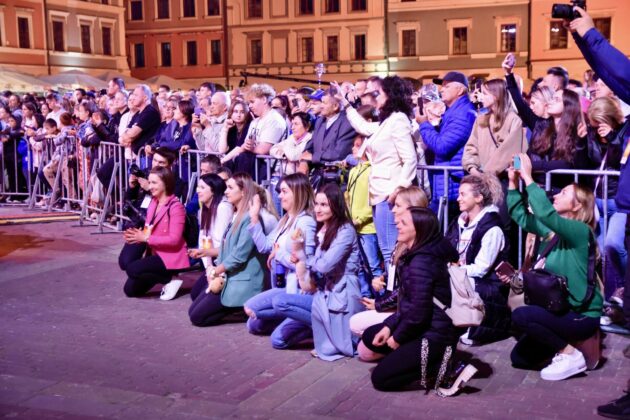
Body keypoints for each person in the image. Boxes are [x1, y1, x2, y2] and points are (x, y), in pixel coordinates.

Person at [504, 153, 603, 380]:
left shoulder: (581, 232)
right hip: (560, 310)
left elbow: (546, 214)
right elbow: (521, 215)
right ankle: (569, 346)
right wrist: (512, 183)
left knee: (522, 316)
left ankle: (570, 354)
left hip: (581, 316)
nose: (556, 195)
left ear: (578, 206)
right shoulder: (553, 233)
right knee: (519, 358)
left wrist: (528, 177)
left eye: (564, 193)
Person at [359, 207, 474, 392]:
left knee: (381, 379)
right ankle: (431, 359)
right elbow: (409, 304)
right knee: (371, 336)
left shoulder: (422, 261)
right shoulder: (419, 253)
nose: (397, 223)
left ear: (419, 229)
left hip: (436, 334)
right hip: (424, 327)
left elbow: (418, 312)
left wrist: (398, 337)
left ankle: (443, 369)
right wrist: (389, 326)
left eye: (404, 222)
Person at [336, 76, 418, 269]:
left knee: (391, 249)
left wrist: (399, 188)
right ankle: (393, 293)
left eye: (378, 93)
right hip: (379, 192)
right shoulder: (387, 121)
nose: (374, 98)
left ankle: (394, 295)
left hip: (389, 195)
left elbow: (410, 158)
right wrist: (346, 104)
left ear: (390, 95)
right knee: (387, 249)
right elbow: (363, 126)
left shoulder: (398, 120)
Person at [243, 173, 317, 340]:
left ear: (297, 193)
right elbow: (264, 246)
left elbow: (309, 264)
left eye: (284, 191)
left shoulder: (305, 222)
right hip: (283, 284)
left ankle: (312, 324)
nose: (279, 195)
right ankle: (289, 318)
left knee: (273, 334)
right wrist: (254, 217)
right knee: (253, 324)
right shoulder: (285, 220)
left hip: (298, 290)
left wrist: (279, 254)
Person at [350, 186, 428, 337]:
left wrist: (379, 305)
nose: (392, 210)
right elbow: (398, 271)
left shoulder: (418, 243)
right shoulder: (402, 239)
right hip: (396, 306)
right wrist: (383, 278)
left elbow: (409, 288)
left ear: (412, 208)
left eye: (397, 206)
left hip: (407, 311)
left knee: (356, 325)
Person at [188, 172, 265, 326]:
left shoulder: (249, 218)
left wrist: (216, 270)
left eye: (230, 187)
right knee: (193, 310)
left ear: (243, 191)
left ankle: (238, 307)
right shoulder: (236, 214)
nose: (225, 191)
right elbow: (226, 248)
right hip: (227, 275)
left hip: (240, 280)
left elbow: (239, 256)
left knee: (198, 318)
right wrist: (207, 257)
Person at [445, 174, 511, 345]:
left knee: (448, 280)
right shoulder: (458, 223)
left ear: (478, 197)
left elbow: (481, 269)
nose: (458, 198)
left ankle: (471, 324)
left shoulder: (492, 228)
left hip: (488, 285)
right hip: (463, 277)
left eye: (463, 194)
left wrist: (453, 270)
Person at [119, 166, 190, 297]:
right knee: (129, 287)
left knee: (132, 269)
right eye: (150, 182)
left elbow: (174, 240)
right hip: (154, 250)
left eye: (154, 183)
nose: (150, 186)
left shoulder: (176, 207)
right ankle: (160, 275)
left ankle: (171, 278)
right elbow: (148, 227)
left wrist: (145, 239)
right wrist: (135, 236)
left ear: (166, 183)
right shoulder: (153, 202)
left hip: (169, 255)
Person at [583, 97, 628, 301]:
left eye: (599, 121)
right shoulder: (592, 133)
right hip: (599, 199)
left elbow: (621, 161)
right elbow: (591, 160)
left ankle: (624, 289)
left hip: (618, 200)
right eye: (594, 122)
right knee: (602, 254)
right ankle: (611, 300)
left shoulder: (624, 130)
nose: (596, 126)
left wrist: (612, 139)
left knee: (613, 245)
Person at [417, 71, 477, 216]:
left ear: (460, 90)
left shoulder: (463, 113)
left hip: (452, 185)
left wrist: (424, 124)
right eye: (442, 86)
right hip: (446, 183)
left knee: (442, 232)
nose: (441, 89)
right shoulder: (454, 111)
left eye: (447, 86)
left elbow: (442, 146)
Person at [462, 79, 526, 177]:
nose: (480, 97)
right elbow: (471, 146)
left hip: (505, 178)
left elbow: (514, 151)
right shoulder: (480, 119)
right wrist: (472, 168)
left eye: (485, 93)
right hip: (481, 177)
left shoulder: (513, 119)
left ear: (496, 96)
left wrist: (487, 173)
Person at [186, 173, 233, 301]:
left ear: (213, 190)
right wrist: (208, 269)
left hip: (224, 263)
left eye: (202, 187)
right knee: (195, 294)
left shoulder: (223, 208)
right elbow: (203, 240)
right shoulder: (204, 210)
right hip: (212, 262)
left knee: (201, 298)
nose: (197, 191)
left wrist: (215, 271)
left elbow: (223, 245)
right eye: (198, 187)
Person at [303, 88, 357, 165]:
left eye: (324, 103)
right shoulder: (319, 121)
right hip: (316, 171)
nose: (321, 106)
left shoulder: (347, 124)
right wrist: (303, 161)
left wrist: (313, 157)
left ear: (335, 106)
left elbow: (338, 154)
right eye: (321, 102)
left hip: (335, 173)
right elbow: (310, 145)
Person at [219, 100, 254, 176]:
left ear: (247, 114)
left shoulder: (249, 126)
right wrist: (225, 129)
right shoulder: (232, 128)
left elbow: (239, 147)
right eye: (235, 111)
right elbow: (222, 150)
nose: (238, 115)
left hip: (245, 166)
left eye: (242, 112)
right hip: (232, 164)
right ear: (231, 114)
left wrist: (222, 161)